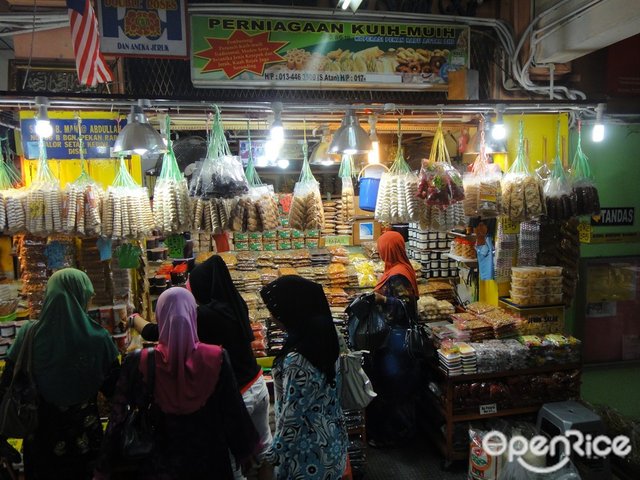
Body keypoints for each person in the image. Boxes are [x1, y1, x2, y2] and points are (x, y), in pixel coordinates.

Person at [130, 255, 271, 479]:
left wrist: (133, 318)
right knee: (262, 451)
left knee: (234, 463)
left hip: (237, 396)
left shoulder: (205, 316)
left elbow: (155, 332)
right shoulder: (236, 305)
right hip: (258, 384)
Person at [95, 287, 260, 479]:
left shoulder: (139, 362)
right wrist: (245, 452)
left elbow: (119, 414)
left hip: (160, 461)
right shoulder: (216, 358)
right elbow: (232, 410)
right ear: (193, 315)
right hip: (209, 459)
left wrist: (104, 466)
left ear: (160, 317)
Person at [0, 268, 120, 479]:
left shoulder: (28, 335)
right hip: (85, 441)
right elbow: (115, 390)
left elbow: (6, 386)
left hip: (41, 443)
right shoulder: (99, 340)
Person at [260, 275, 348, 480]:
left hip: (308, 455)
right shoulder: (325, 337)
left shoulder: (298, 361)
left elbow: (292, 420)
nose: (272, 318)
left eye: (276, 311)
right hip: (331, 442)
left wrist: (271, 459)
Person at [366, 230, 421, 448]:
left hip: (396, 340)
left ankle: (393, 436)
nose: (380, 250)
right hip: (394, 338)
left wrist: (380, 299)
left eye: (382, 247)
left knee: (391, 387)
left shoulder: (398, 274)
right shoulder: (398, 269)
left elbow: (405, 306)